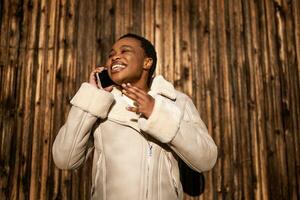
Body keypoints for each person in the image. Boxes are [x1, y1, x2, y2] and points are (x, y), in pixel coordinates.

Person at [52, 33, 218, 200]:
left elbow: (206, 159)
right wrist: (93, 96)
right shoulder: (99, 103)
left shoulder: (176, 102)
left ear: (147, 62)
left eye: (125, 51)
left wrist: (157, 113)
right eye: (111, 54)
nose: (115, 56)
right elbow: (64, 159)